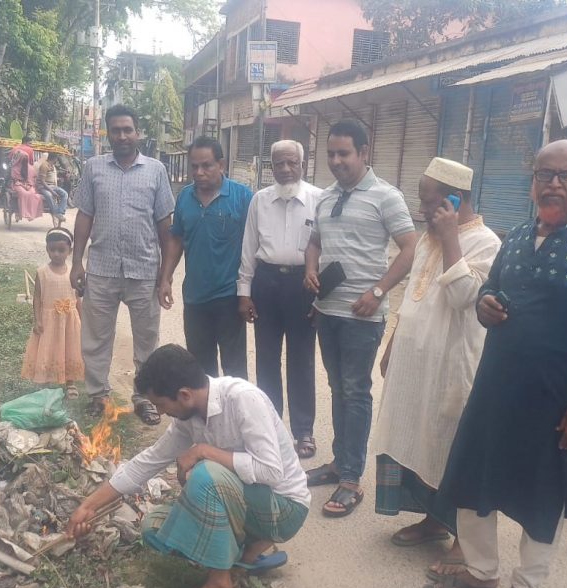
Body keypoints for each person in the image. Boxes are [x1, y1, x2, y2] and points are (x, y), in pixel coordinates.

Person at [432, 140, 567, 588]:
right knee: (473, 481)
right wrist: (486, 304)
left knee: (542, 498)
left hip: (558, 401)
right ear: (533, 181)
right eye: (545, 174)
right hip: (496, 390)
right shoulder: (517, 237)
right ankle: (480, 572)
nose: (555, 185)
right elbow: (488, 293)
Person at [65, 344, 310, 588]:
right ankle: (247, 551)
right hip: (248, 504)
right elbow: (148, 461)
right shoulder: (189, 414)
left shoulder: (243, 399)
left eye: (161, 405)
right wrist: (88, 506)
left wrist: (205, 451)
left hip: (285, 509)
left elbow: (271, 472)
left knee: (204, 475)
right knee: (154, 528)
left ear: (183, 394)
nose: (160, 412)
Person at [374, 157, 499, 578]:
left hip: (451, 368)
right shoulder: (429, 236)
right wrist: (393, 343)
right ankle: (433, 522)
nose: (423, 211)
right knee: (416, 437)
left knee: (449, 446)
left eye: (429, 203)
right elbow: (415, 298)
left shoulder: (486, 242)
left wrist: (450, 238)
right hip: (414, 362)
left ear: (453, 200)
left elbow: (466, 297)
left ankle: (465, 543)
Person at [302, 119, 419, 518]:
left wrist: (378, 291)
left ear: (364, 153)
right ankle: (339, 461)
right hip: (327, 311)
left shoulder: (387, 197)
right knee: (338, 388)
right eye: (331, 154)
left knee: (355, 392)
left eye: (344, 153)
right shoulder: (326, 196)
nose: (336, 161)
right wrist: (310, 268)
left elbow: (408, 249)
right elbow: (315, 241)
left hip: (362, 317)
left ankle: (351, 478)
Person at [70, 103, 175, 425]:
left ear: (137, 132)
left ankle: (144, 397)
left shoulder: (156, 170)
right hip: (101, 268)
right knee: (96, 337)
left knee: (147, 339)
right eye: (116, 130)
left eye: (128, 129)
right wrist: (76, 262)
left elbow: (165, 225)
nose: (122, 135)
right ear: (108, 133)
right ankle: (98, 396)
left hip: (144, 270)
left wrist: (166, 275)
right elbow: (85, 215)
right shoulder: (94, 168)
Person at [237, 139, 322, 460]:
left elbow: (326, 251)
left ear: (303, 164)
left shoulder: (319, 199)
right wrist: (244, 293)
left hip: (303, 285)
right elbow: (249, 247)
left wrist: (320, 298)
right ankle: (270, 429)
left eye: (292, 163)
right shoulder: (260, 200)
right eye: (279, 164)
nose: (285, 170)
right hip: (267, 283)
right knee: (267, 359)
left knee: (302, 359)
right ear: (270, 166)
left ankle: (303, 432)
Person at [159, 136, 253, 379]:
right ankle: (208, 418)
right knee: (201, 371)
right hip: (195, 298)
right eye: (194, 166)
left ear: (221, 164)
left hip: (229, 299)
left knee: (235, 371)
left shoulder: (243, 197)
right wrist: (166, 278)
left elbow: (254, 245)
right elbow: (177, 238)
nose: (199, 172)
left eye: (206, 165)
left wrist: (248, 292)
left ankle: (236, 417)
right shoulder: (185, 197)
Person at [21, 228, 83, 399]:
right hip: (49, 320)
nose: (56, 254)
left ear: (70, 251)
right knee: (48, 349)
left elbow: (77, 298)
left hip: (70, 319)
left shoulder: (73, 272)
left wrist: (82, 318)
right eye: (52, 250)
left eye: (61, 250)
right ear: (47, 249)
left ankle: (70, 382)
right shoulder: (42, 272)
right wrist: (37, 320)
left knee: (70, 348)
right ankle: (45, 380)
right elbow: (37, 298)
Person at [9, 137, 44, 223]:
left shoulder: (14, 149)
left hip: (28, 184)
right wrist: (23, 184)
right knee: (24, 193)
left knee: (33, 193)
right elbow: (14, 178)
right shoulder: (15, 168)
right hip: (18, 184)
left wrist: (28, 185)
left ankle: (31, 214)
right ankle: (23, 213)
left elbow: (33, 177)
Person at [36, 153, 69, 227]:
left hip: (53, 186)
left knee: (65, 194)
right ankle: (55, 212)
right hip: (43, 186)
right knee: (49, 195)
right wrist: (52, 191)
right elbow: (42, 181)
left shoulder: (52, 166)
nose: (57, 161)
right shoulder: (44, 165)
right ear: (54, 159)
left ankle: (60, 213)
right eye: (56, 159)